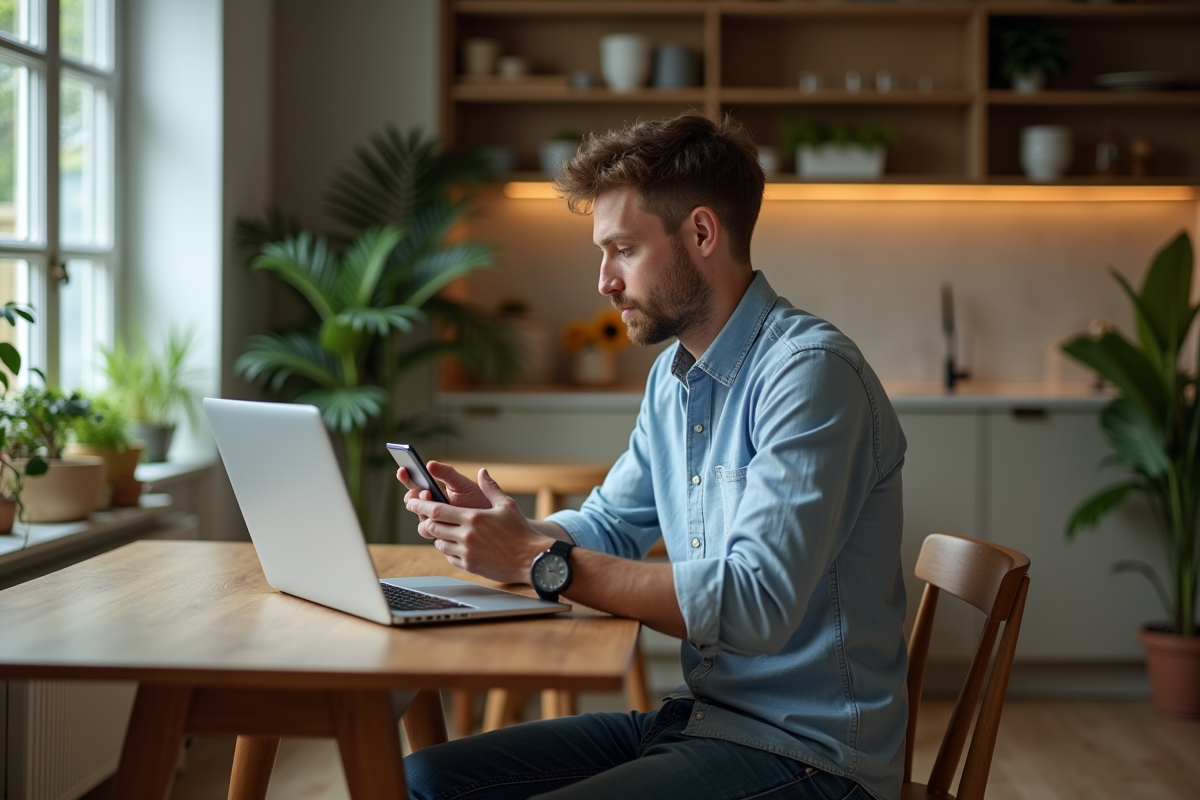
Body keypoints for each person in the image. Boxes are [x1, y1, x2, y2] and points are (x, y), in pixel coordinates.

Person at [397, 112, 908, 800]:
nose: (604, 281)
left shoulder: (809, 374)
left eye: (623, 250)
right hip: (701, 718)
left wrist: (536, 562)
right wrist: (512, 533)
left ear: (700, 234)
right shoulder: (675, 380)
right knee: (420, 779)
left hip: (811, 755)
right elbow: (611, 527)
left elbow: (756, 603)